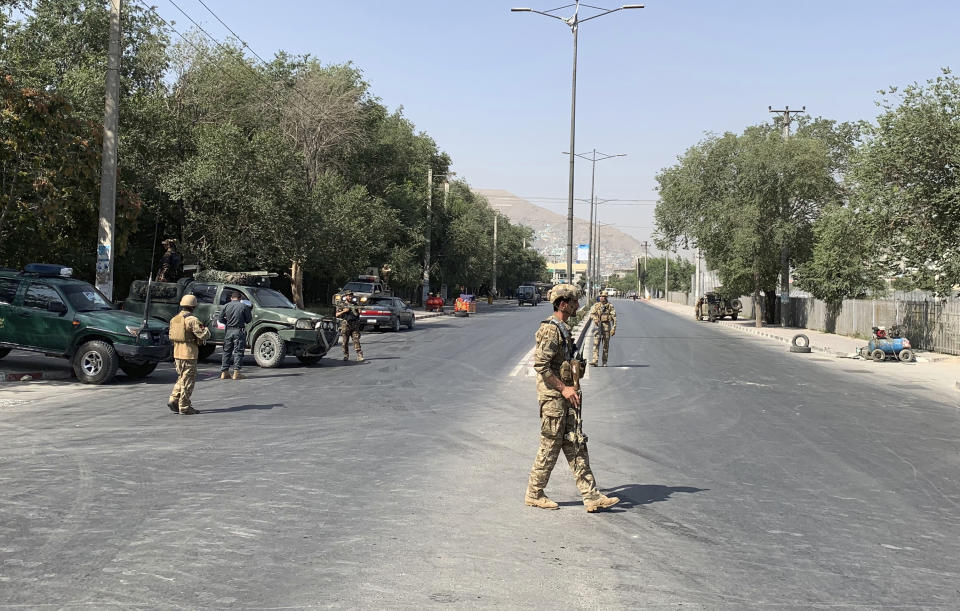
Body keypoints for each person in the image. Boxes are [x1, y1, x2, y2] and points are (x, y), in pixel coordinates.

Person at [525, 284, 619, 513]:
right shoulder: (551, 329)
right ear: (563, 304)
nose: (578, 305)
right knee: (550, 444)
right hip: (553, 398)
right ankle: (534, 492)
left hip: (566, 395)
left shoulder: (564, 328)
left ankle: (591, 495)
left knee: (575, 441)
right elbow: (541, 365)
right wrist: (563, 389)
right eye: (575, 301)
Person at [167, 294, 210, 415]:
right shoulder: (192, 320)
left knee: (181, 377)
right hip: (189, 354)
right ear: (193, 306)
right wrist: (206, 329)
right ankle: (184, 406)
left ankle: (174, 398)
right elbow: (203, 335)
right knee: (188, 381)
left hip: (177, 353)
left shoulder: (174, 319)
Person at [218, 290, 251, 380]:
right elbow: (249, 320)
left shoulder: (226, 306)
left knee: (226, 351)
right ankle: (236, 373)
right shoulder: (244, 306)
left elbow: (220, 318)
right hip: (239, 331)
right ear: (240, 299)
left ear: (231, 298)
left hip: (228, 331)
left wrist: (227, 323)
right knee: (238, 352)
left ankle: (224, 372)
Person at [589, 293, 617, 367]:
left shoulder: (610, 306)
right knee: (596, 344)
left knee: (605, 345)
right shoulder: (596, 305)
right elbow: (591, 313)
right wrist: (595, 318)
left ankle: (604, 362)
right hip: (598, 326)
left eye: (603, 297)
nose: (601, 298)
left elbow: (614, 318)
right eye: (600, 296)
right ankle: (595, 361)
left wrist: (614, 328)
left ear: (606, 297)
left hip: (606, 326)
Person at [335, 290, 364, 362]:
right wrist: (344, 311)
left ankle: (359, 355)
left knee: (356, 340)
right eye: (348, 295)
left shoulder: (355, 304)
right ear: (346, 296)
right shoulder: (342, 305)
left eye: (351, 295)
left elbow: (359, 313)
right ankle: (346, 355)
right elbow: (336, 315)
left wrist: (359, 310)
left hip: (354, 325)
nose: (350, 297)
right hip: (346, 325)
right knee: (345, 342)